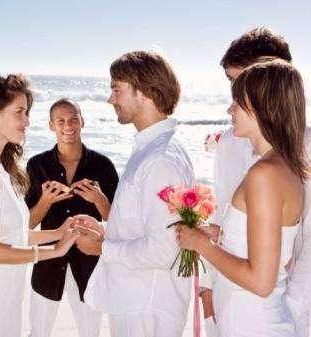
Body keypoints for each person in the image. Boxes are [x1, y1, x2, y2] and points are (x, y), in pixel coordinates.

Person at [176, 59, 307, 336]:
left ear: (263, 107)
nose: (229, 110)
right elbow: (273, 250)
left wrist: (202, 244)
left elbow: (261, 281)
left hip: (253, 325)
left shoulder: (266, 174)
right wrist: (217, 233)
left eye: (237, 102)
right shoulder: (281, 167)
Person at [74, 51, 195, 337]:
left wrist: (102, 247)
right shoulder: (152, 150)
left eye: (117, 89)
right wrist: (107, 231)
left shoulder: (160, 160)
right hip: (137, 301)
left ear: (144, 92)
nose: (110, 99)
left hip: (147, 308)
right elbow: (144, 226)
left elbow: (163, 250)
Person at [204, 27, 311, 337]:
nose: (232, 98)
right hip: (235, 304)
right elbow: (229, 217)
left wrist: (291, 306)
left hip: (280, 308)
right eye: (233, 83)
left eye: (244, 83)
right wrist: (210, 285)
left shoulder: (300, 154)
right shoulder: (229, 144)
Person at [0, 74, 79, 337]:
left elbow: (12, 236)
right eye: (19, 112)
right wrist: (54, 251)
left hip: (6, 305)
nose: (27, 121)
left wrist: (59, 232)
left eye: (27, 112)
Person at [25, 98, 118, 337]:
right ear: (51, 126)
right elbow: (26, 224)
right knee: (39, 332)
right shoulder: (36, 166)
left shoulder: (103, 165)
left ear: (82, 121)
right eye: (61, 121)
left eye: (73, 119)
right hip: (47, 264)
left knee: (90, 332)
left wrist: (99, 200)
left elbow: (119, 224)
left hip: (90, 267)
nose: (68, 126)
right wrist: (46, 201)